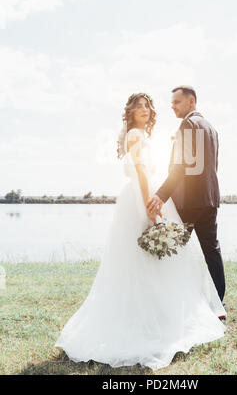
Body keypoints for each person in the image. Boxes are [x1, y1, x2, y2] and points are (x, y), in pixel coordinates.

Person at [54, 92, 226, 371]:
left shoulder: (135, 136)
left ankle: (149, 313)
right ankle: (154, 318)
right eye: (139, 106)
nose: (144, 110)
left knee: (144, 260)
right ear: (130, 111)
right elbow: (143, 172)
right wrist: (151, 206)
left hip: (136, 198)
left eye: (147, 106)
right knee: (152, 259)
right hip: (141, 198)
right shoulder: (137, 136)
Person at [147, 86, 226, 304]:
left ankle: (172, 300)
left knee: (173, 250)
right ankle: (219, 302)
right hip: (209, 198)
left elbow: (180, 166)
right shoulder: (211, 128)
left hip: (189, 201)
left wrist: (161, 195)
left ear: (191, 102)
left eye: (177, 102)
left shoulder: (187, 124)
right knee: (212, 250)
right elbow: (214, 166)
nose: (172, 106)